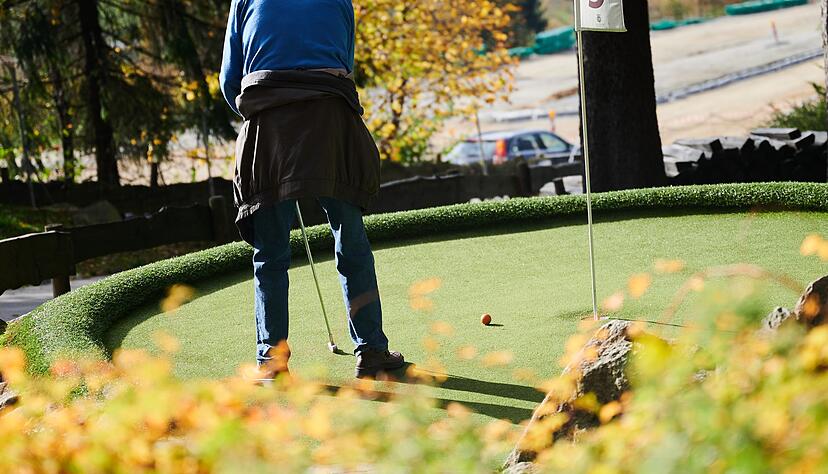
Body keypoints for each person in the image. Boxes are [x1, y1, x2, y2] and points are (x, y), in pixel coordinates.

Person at [219, 0, 404, 379]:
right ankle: (371, 350)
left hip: (269, 124)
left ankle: (271, 362)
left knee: (270, 253)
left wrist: (272, 113)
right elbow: (345, 63)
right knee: (351, 240)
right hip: (330, 119)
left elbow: (229, 81)